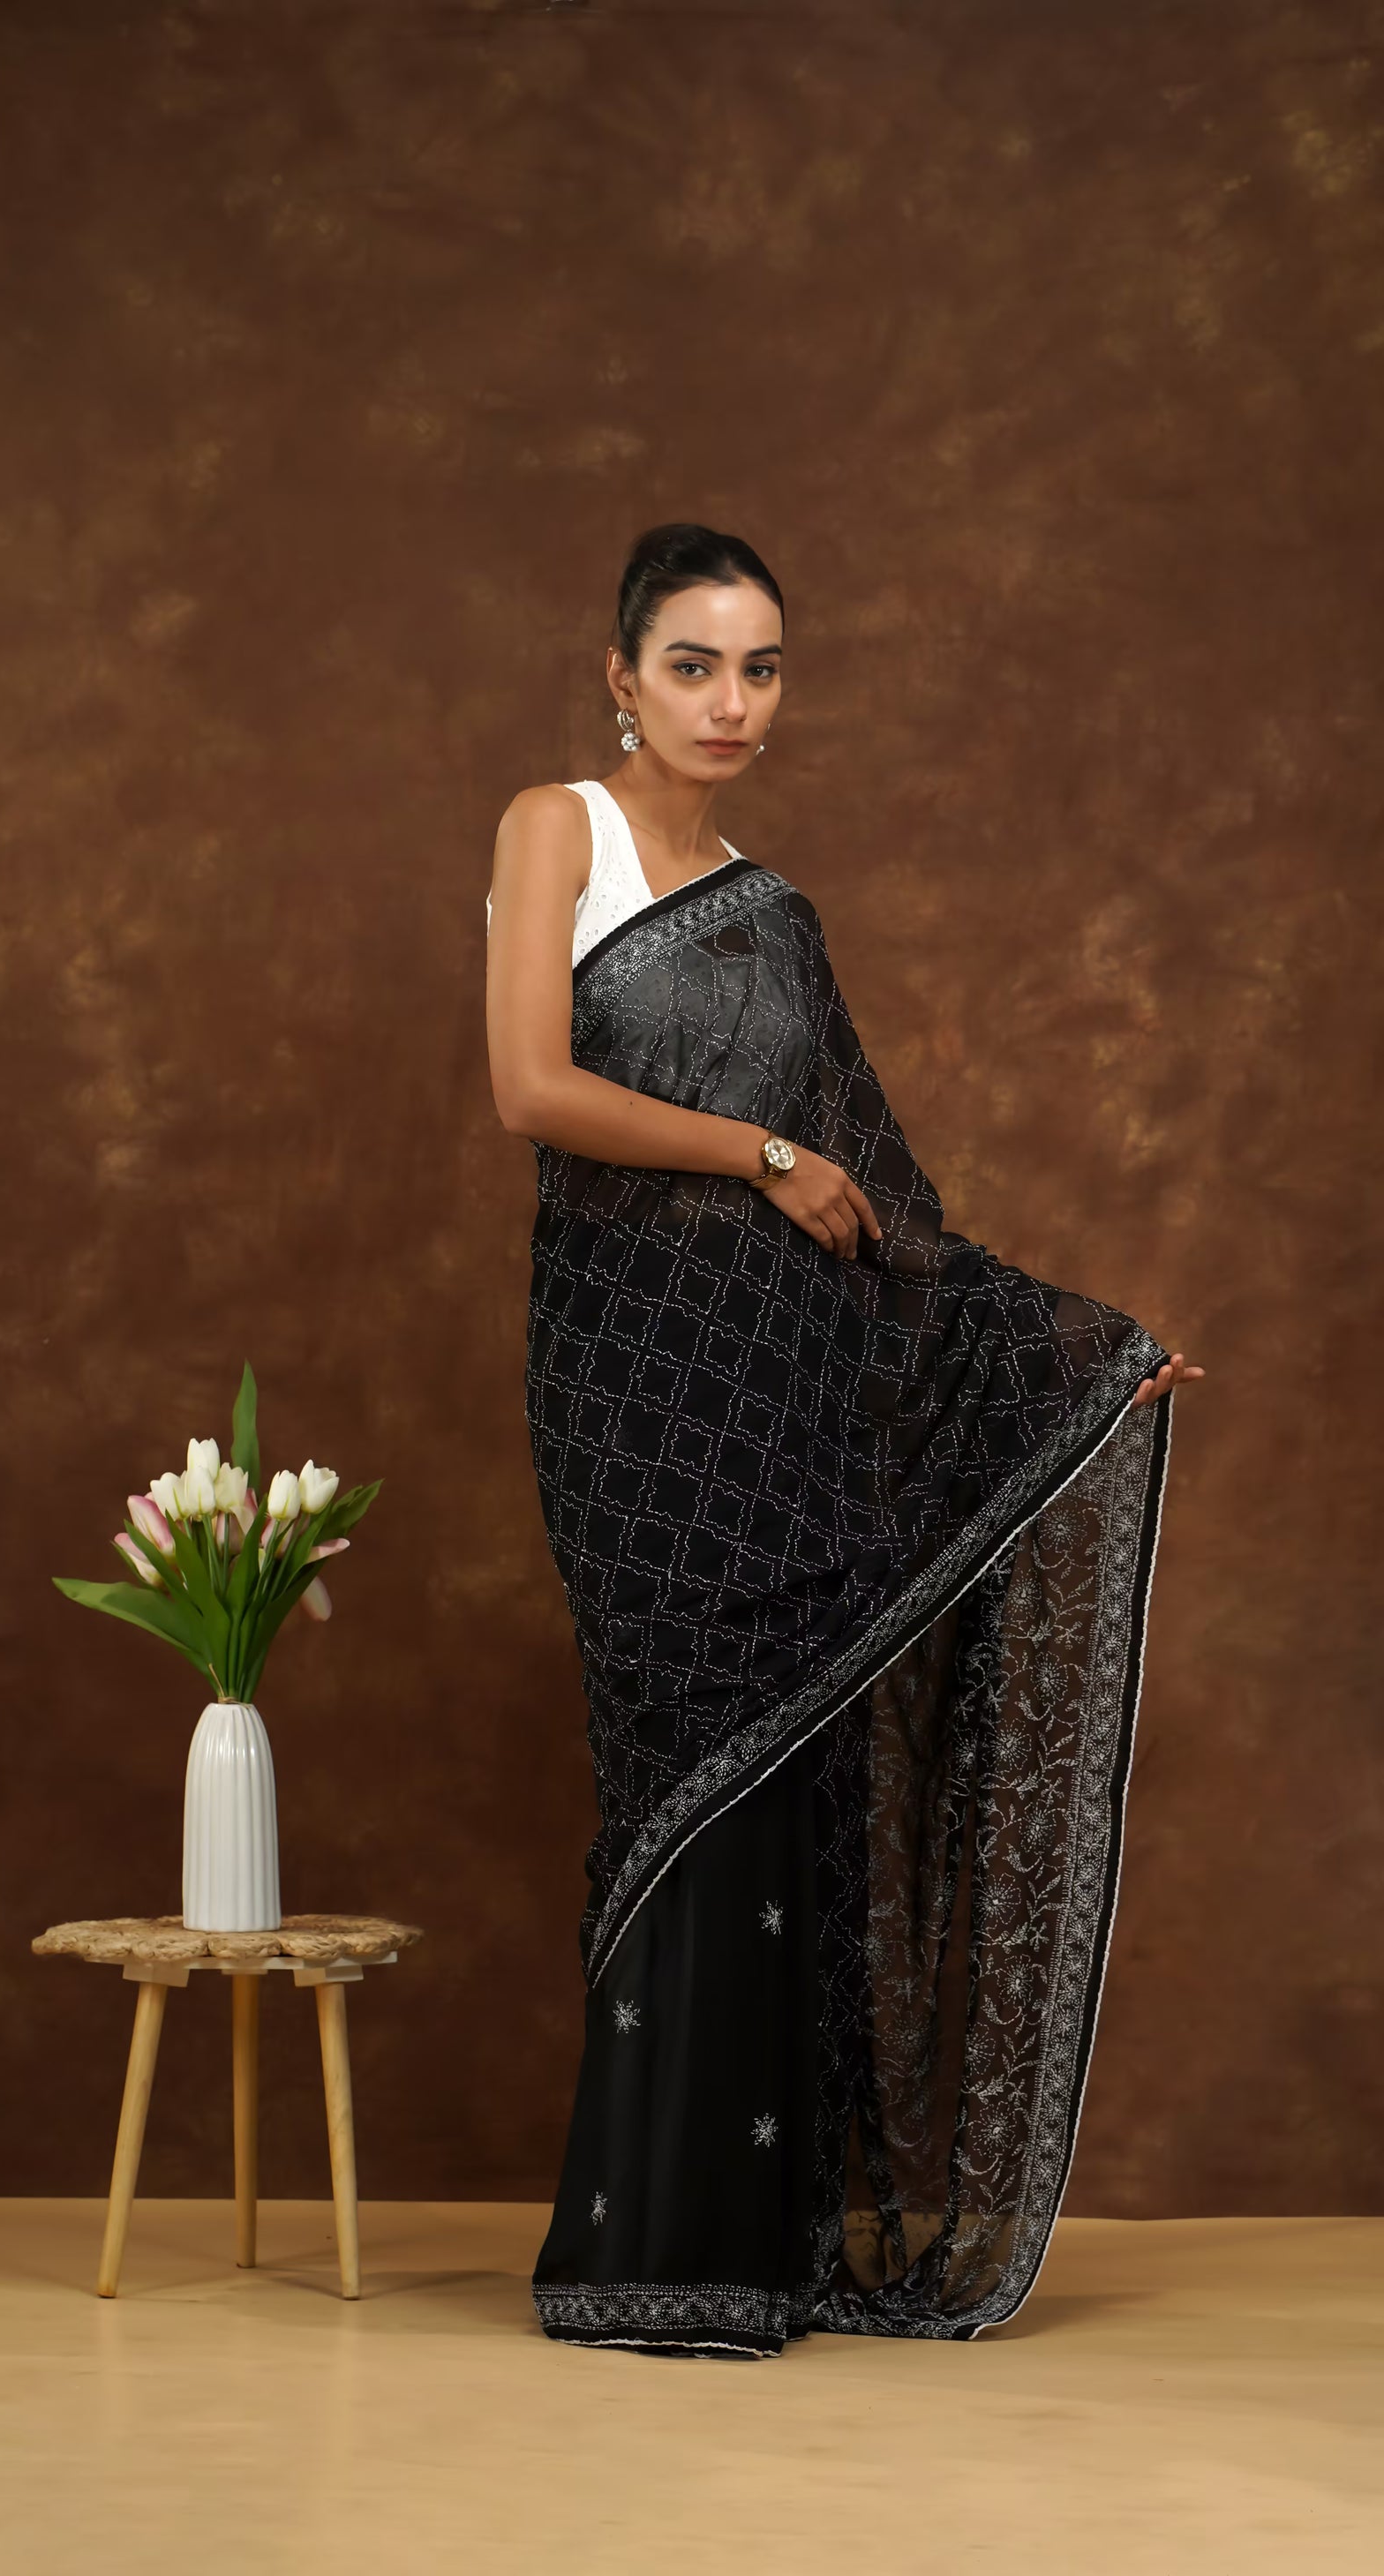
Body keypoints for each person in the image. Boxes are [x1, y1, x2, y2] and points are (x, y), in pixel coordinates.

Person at [484, 522, 1202, 2356]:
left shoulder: (778, 912)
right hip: (631, 1394)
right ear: (620, 676)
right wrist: (762, 1154)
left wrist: (1082, 1359)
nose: (733, 702)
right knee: (670, 1768)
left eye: (763, 667)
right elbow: (531, 1090)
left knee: (783, 1793)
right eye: (697, 664)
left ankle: (760, 2246)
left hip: (783, 1395)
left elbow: (891, 1215)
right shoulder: (550, 825)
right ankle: (632, 2242)